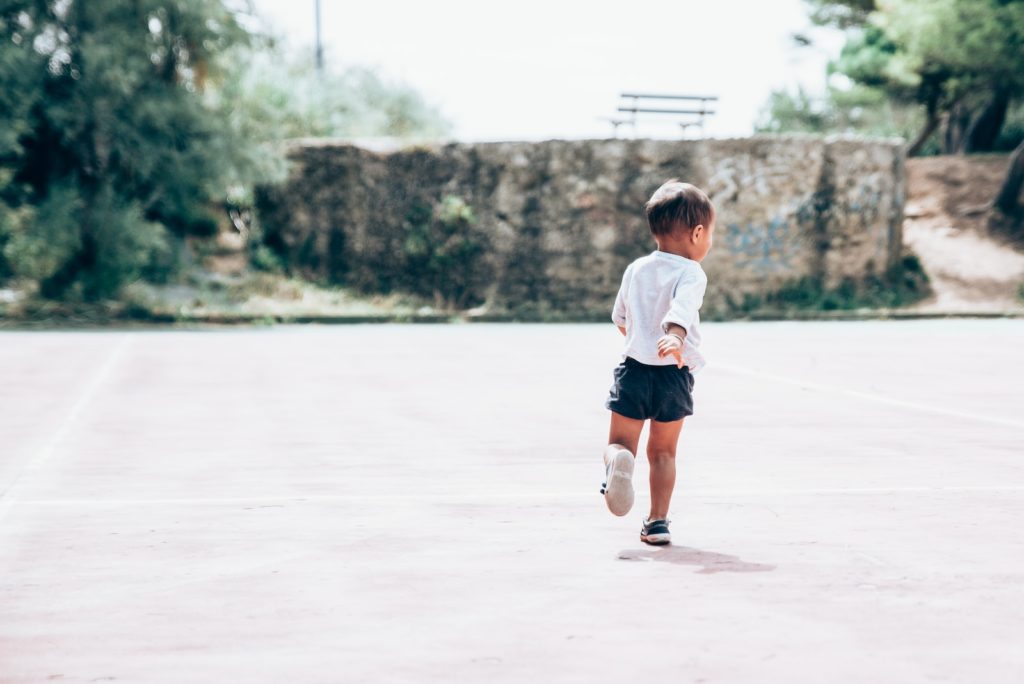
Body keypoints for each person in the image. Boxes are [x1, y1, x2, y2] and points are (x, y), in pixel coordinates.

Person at [600, 180, 715, 545]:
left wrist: (643, 341)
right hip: (673, 376)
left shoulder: (636, 269)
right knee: (663, 452)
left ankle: (618, 462)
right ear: (698, 233)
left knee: (620, 443)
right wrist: (675, 337)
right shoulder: (692, 272)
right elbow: (683, 308)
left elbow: (620, 318)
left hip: (634, 370)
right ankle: (658, 522)